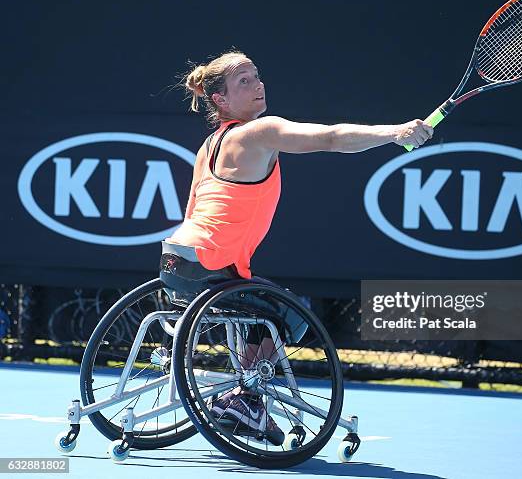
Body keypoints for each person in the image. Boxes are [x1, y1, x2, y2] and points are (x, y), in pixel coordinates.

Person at [167, 50, 433, 445]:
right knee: (292, 315)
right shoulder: (259, 131)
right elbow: (330, 138)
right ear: (220, 99)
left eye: (257, 76)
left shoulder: (209, 145)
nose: (258, 84)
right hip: (213, 264)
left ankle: (245, 400)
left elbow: (190, 210)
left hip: (177, 262)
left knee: (261, 307)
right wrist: (393, 133)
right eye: (245, 81)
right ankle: (247, 399)